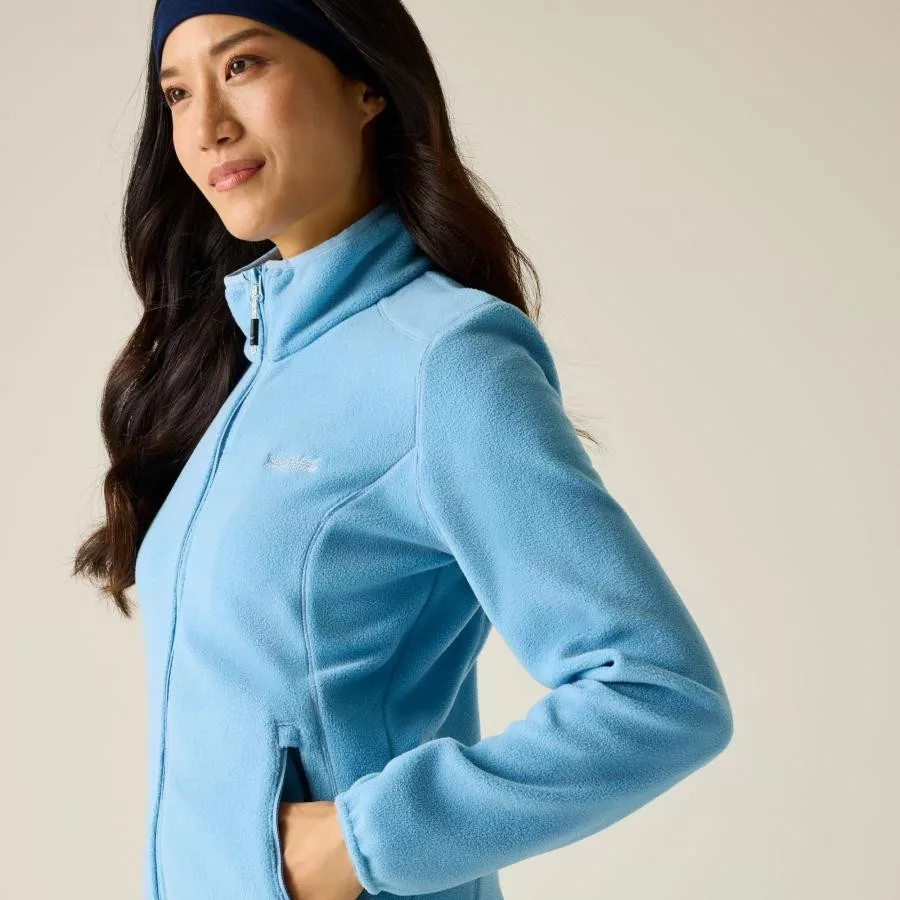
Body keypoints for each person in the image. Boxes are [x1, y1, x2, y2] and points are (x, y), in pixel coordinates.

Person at [72, 1, 734, 899]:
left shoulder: (447, 359)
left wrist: (358, 842)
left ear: (367, 85)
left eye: (243, 66)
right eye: (177, 93)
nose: (206, 126)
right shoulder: (241, 373)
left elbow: (658, 692)